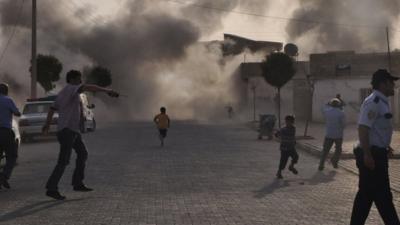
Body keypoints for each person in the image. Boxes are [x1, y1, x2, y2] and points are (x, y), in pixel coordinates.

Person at [42, 70, 119, 200]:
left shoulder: (62, 93)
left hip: (72, 131)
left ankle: (77, 183)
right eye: (79, 79)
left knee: (83, 153)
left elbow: (52, 108)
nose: (80, 81)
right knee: (63, 161)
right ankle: (51, 188)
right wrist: (108, 91)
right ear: (72, 79)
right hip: (67, 131)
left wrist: (47, 124)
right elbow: (88, 87)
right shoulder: (72, 88)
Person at [350, 69, 400, 224]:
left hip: (376, 152)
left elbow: (377, 129)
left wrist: (385, 146)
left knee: (367, 196)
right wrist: (367, 154)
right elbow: (363, 128)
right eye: (391, 83)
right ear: (383, 84)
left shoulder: (382, 101)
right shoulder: (374, 102)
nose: (394, 85)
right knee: (382, 196)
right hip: (372, 156)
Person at [0, 83, 21, 189]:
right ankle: (4, 176)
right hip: (5, 132)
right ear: (6, 91)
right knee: (12, 156)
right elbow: (17, 113)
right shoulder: (8, 100)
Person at [318, 98, 345, 171]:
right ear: (339, 104)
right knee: (338, 150)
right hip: (338, 134)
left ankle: (321, 165)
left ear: (331, 104)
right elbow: (343, 125)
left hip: (329, 134)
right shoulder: (341, 113)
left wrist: (327, 104)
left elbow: (322, 108)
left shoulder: (327, 111)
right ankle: (334, 161)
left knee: (325, 150)